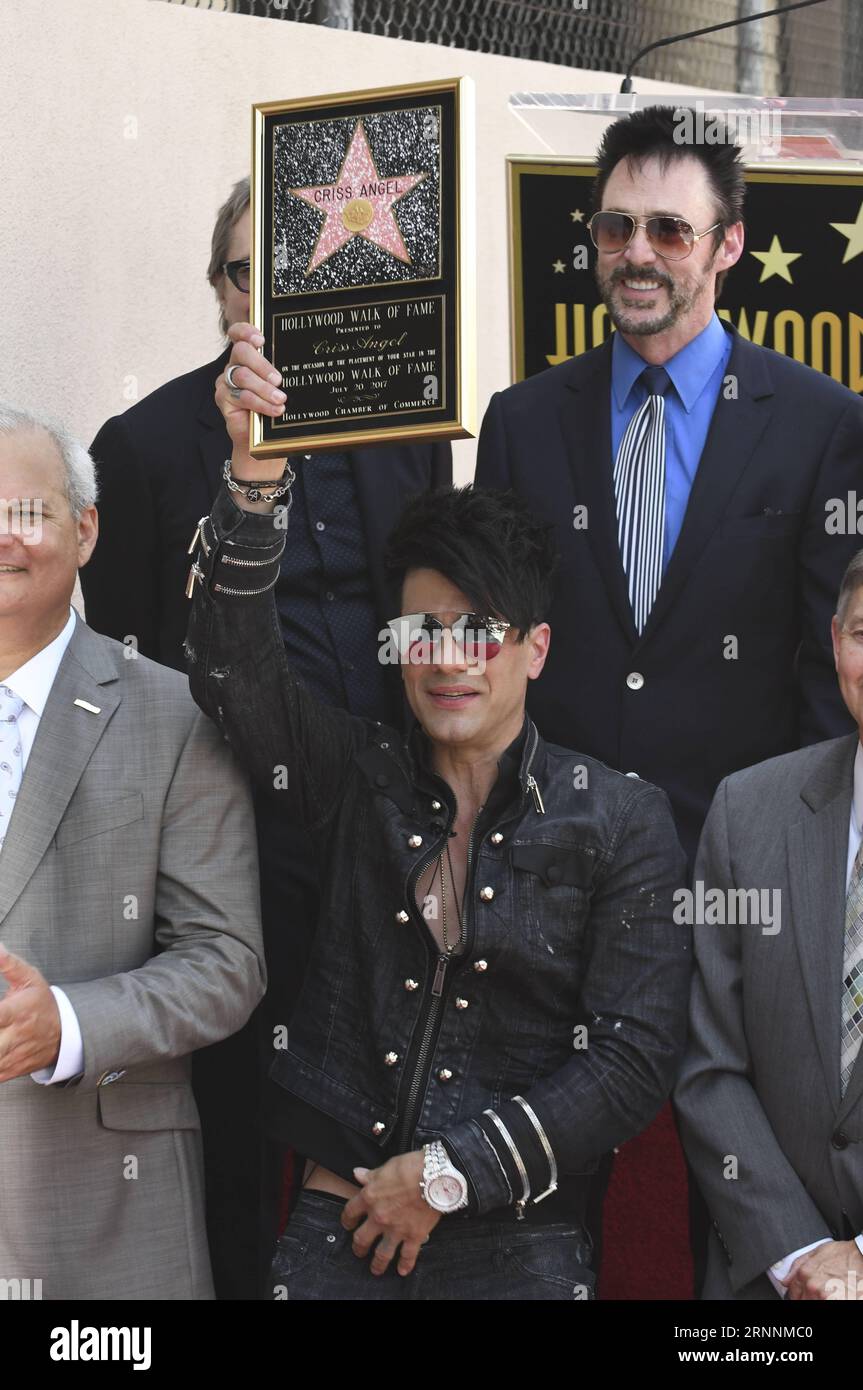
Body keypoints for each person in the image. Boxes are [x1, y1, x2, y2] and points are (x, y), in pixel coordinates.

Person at [180, 320, 691, 1301]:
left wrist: (449, 1176)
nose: (449, 657)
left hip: (517, 1242)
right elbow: (230, 675)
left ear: (533, 647)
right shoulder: (352, 773)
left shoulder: (620, 819)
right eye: (423, 628)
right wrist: (250, 485)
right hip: (340, 1225)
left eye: (480, 630)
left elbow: (631, 1058)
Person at [474, 103, 863, 1298]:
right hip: (558, 901)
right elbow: (496, 657)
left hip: (744, 879)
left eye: (666, 230)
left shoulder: (821, 424)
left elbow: (822, 667)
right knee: (552, 1210)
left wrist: (788, 858)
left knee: (739, 1199)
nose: (634, 252)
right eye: (612, 227)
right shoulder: (520, 421)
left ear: (727, 245)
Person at [81, 176, 452, 1299]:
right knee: (239, 1128)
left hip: (383, 829)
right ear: (216, 290)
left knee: (385, 1119)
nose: (270, 303)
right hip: (225, 846)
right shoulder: (140, 448)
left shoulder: (403, 427)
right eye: (249, 275)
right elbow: (126, 672)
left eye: (296, 280)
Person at [0, 404, 265, 1300]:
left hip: (107, 1225)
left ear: (85, 531)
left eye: (25, 514)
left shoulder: (173, 714)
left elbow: (228, 962)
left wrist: (67, 1025)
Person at [675, 550, 863, 1301]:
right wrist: (801, 1253)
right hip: (770, 1278)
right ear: (835, 642)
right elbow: (708, 1062)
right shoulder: (748, 811)